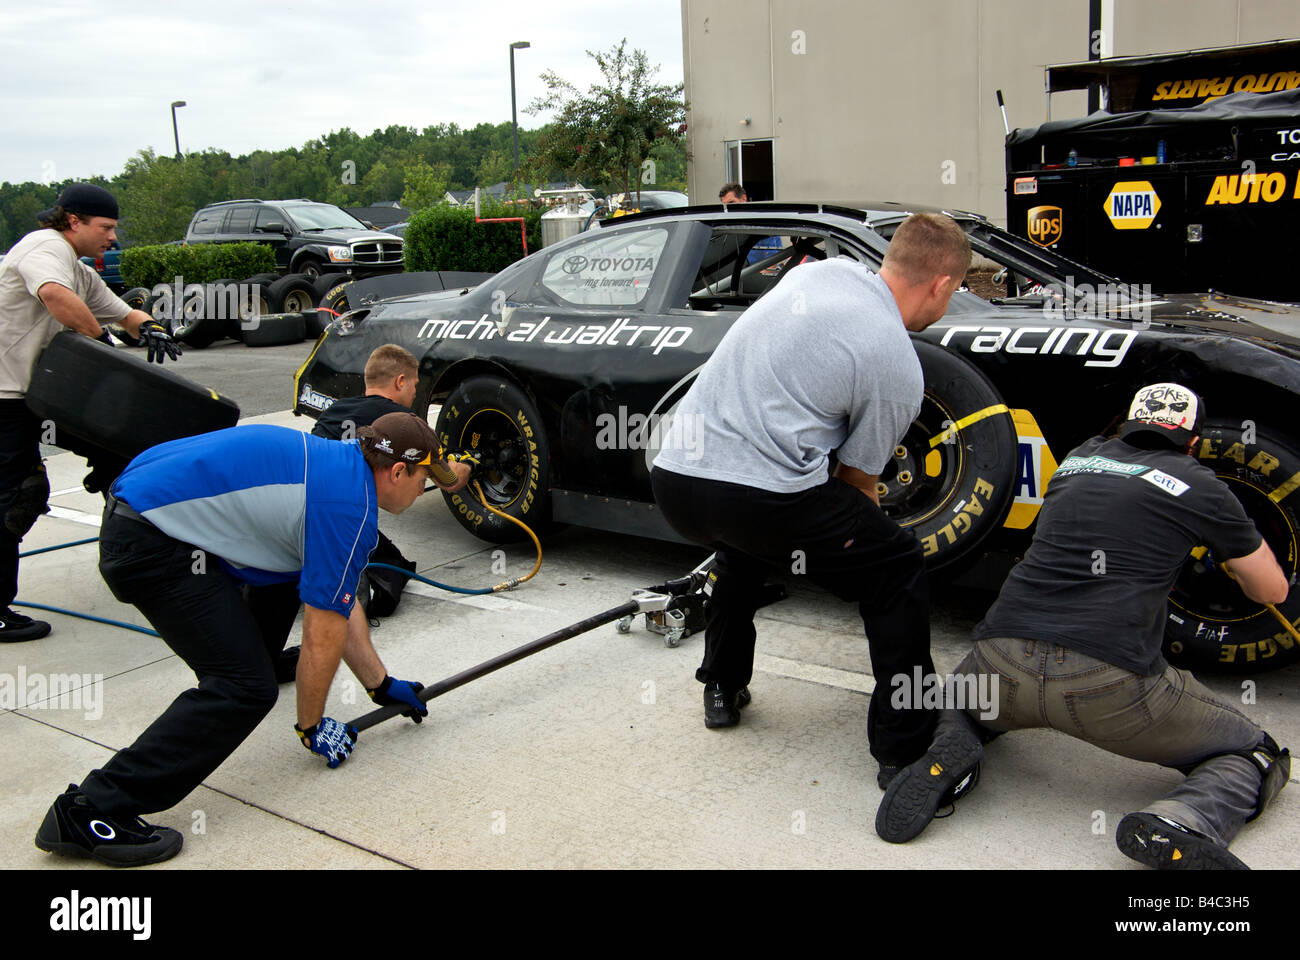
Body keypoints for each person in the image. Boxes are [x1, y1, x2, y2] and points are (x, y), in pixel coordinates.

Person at [874, 383, 1292, 870]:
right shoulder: (1201, 485)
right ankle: (1183, 819)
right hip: (1110, 686)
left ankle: (951, 748)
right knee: (1254, 753)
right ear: (1193, 441)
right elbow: (1271, 591)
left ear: (1125, 425)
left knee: (959, 702)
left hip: (1002, 658)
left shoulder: (1076, 461)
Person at [33, 412, 470, 866]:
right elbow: (324, 633)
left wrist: (379, 684)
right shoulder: (346, 507)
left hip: (152, 507)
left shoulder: (341, 466)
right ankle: (91, 809)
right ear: (397, 471)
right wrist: (312, 725)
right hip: (151, 545)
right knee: (243, 688)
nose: (424, 491)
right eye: (423, 479)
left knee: (288, 574)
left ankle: (255, 656)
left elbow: (337, 600)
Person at [650, 213, 971, 786]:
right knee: (895, 567)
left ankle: (722, 686)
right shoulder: (897, 361)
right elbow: (856, 484)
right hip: (759, 497)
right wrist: (854, 565)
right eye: (957, 290)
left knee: (742, 547)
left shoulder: (817, 274)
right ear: (943, 284)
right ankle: (904, 748)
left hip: (675, 478)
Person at [0, 183, 180, 643]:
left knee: (123, 455)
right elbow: (56, 298)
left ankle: (138, 554)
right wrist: (105, 351)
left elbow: (121, 313)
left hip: (38, 395)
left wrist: (152, 328)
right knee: (17, 493)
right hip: (4, 399)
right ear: (73, 221)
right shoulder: (44, 247)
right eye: (106, 228)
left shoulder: (77, 269)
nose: (113, 239)